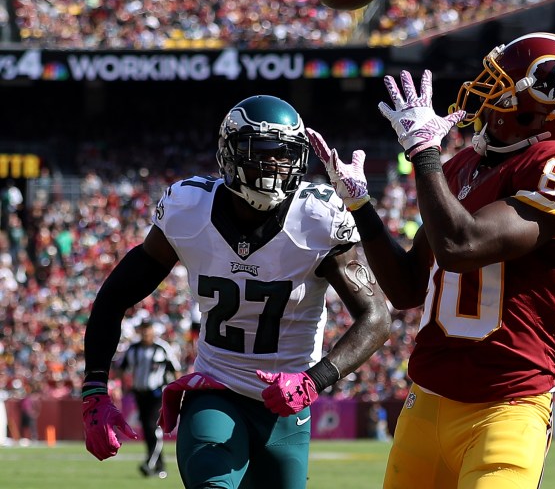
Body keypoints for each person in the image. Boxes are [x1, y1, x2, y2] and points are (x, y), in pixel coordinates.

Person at [307, 32, 555, 488]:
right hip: (427, 401)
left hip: (506, 407)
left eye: (503, 81)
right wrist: (361, 207)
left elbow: (461, 247)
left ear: (542, 103)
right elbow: (407, 287)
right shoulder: (462, 165)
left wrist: (424, 153)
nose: (487, 89)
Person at [82, 95, 391, 489]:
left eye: (285, 155)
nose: (275, 166)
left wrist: (315, 380)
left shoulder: (318, 218)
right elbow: (113, 298)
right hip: (217, 391)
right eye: (262, 152)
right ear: (230, 154)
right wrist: (94, 388)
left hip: (287, 407)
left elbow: (377, 317)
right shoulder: (188, 209)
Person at [117, 320, 182, 478]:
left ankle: (149, 463)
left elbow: (176, 370)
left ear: (153, 331)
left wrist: (178, 392)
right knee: (147, 429)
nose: (146, 333)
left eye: (148, 330)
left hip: (157, 393)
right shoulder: (133, 349)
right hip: (140, 393)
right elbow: (121, 368)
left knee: (154, 427)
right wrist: (121, 386)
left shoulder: (162, 348)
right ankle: (160, 466)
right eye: (143, 330)